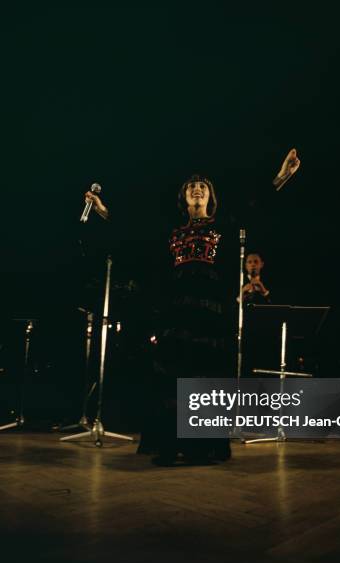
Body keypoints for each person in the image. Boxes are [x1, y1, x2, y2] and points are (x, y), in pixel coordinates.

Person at [84, 149, 301, 463]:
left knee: (205, 378)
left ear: (210, 197)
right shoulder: (172, 231)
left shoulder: (223, 225)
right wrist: (104, 211)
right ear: (183, 198)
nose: (197, 189)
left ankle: (203, 447)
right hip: (176, 312)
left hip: (210, 313)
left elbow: (256, 207)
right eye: (191, 187)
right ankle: (172, 446)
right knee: (172, 380)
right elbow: (135, 232)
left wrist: (283, 176)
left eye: (203, 186)